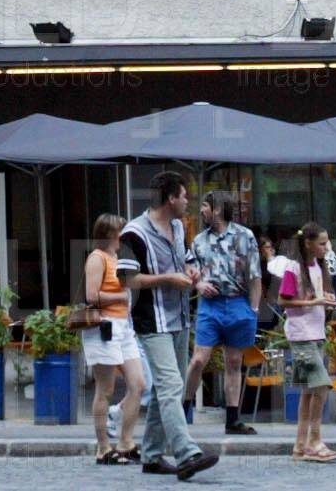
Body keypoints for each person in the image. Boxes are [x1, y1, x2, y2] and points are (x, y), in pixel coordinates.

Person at [116, 172, 218, 482]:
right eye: (185, 196)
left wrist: (192, 272)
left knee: (165, 388)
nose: (188, 202)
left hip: (179, 317)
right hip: (152, 320)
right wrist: (168, 279)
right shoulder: (133, 233)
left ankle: (151, 455)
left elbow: (187, 259)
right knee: (172, 384)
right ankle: (186, 453)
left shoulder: (177, 226)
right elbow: (127, 279)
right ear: (171, 198)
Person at [184, 190, 261, 437]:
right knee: (199, 359)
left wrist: (254, 310)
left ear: (217, 209)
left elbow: (255, 275)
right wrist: (198, 284)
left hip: (238, 302)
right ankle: (183, 411)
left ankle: (232, 419)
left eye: (205, 206)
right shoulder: (198, 241)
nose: (201, 210)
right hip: (210, 305)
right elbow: (189, 270)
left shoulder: (245, 236)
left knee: (234, 361)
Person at [84, 213, 145, 465]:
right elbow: (91, 295)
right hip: (105, 327)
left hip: (124, 327)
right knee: (105, 389)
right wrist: (121, 296)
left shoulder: (118, 259)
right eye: (121, 231)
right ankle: (103, 448)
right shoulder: (97, 258)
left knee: (138, 384)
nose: (124, 236)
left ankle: (126, 442)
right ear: (109, 234)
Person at [278, 223, 336, 464]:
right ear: (308, 244)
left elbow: (314, 296)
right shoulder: (293, 268)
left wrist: (325, 298)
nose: (326, 248)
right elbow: (283, 300)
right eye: (322, 244)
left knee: (308, 391)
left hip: (315, 333)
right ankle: (315, 440)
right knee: (321, 385)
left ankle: (300, 445)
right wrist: (314, 302)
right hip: (301, 335)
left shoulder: (317, 267)